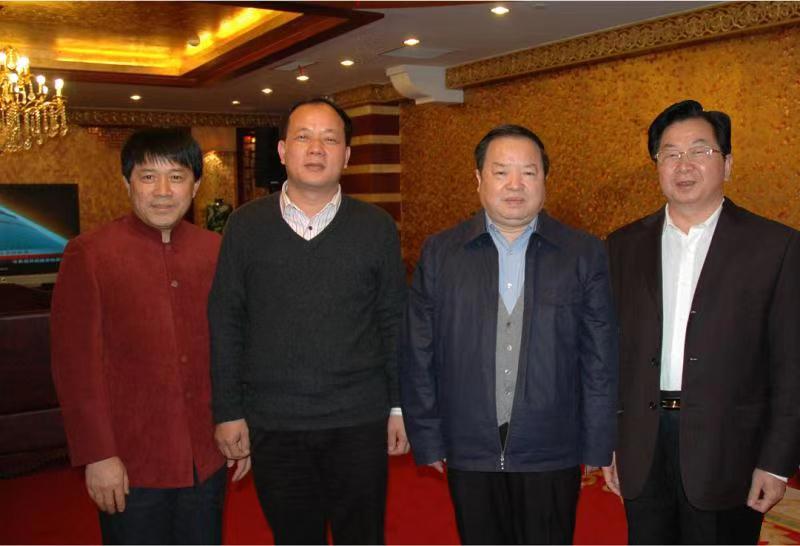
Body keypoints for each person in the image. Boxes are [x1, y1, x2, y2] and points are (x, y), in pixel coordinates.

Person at [400, 124, 618, 544]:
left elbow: (600, 357)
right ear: (479, 178)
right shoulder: (442, 253)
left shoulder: (583, 253)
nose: (515, 184)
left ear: (545, 179)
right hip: (469, 445)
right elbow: (418, 350)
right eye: (501, 172)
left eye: (528, 172)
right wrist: (427, 436)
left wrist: (597, 442)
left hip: (551, 447)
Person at [209, 97, 408, 545]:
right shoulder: (245, 226)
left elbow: (394, 320)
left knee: (363, 537)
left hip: (358, 420)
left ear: (347, 155)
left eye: (330, 139)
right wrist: (228, 410)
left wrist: (399, 406)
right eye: (303, 137)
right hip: (275, 422)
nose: (316, 148)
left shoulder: (376, 226)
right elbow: (226, 321)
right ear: (283, 151)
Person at [604, 99, 800, 544]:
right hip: (642, 442)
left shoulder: (776, 247)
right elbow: (610, 353)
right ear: (657, 166)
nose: (684, 165)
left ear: (727, 164)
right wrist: (609, 440)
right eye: (670, 153)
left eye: (699, 151)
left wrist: (776, 462)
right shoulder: (622, 246)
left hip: (730, 449)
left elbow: (792, 365)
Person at [50, 129, 246, 545]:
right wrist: (97, 454)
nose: (163, 191)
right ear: (127, 183)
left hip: (205, 456)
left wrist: (240, 424)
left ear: (195, 185)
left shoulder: (217, 251)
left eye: (176, 177)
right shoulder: (90, 254)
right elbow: (75, 367)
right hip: (130, 461)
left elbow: (234, 347)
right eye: (148, 177)